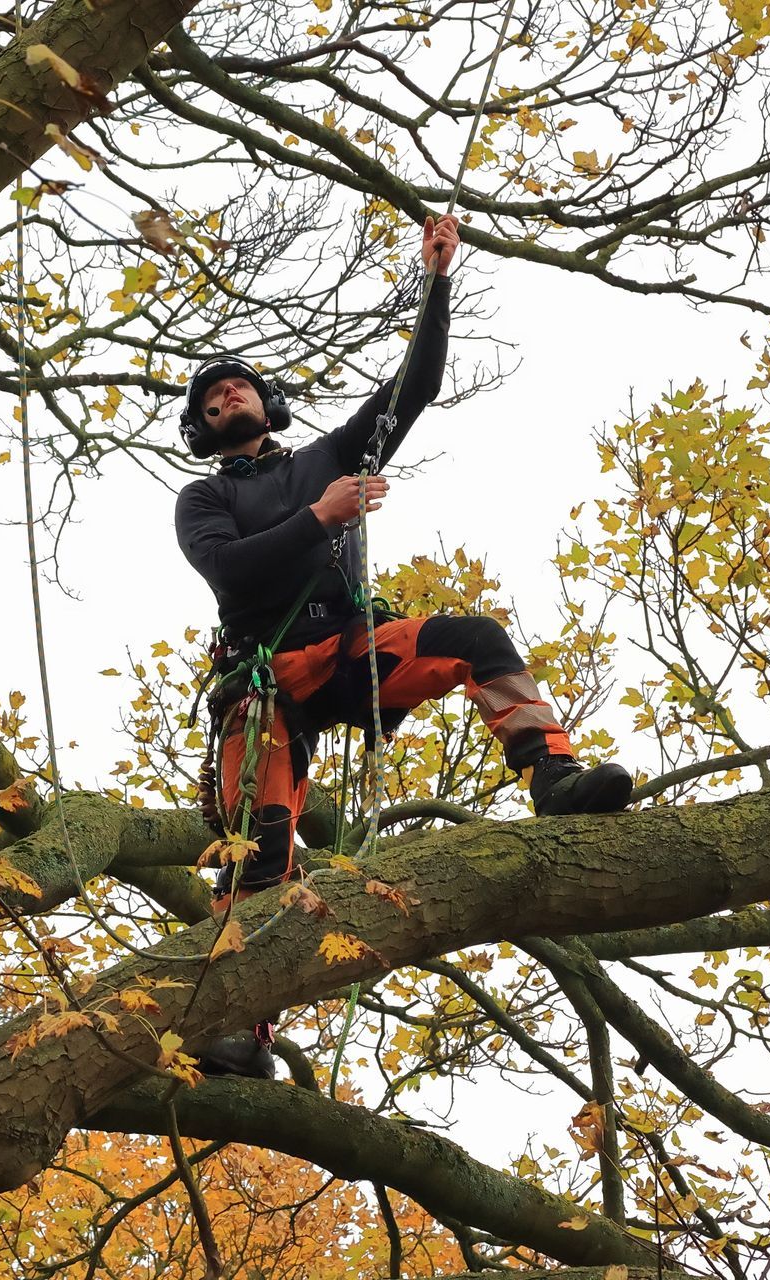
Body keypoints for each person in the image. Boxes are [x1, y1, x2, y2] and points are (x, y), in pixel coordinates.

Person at [175, 214, 632, 920]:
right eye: (213, 399)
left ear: (270, 404)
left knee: (474, 641)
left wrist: (436, 282)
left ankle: (552, 773)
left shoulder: (327, 456)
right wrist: (319, 518)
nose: (229, 394)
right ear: (203, 430)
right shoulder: (207, 495)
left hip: (356, 650)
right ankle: (244, 1020)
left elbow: (411, 388)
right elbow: (229, 570)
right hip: (267, 675)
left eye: (239, 386)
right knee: (259, 847)